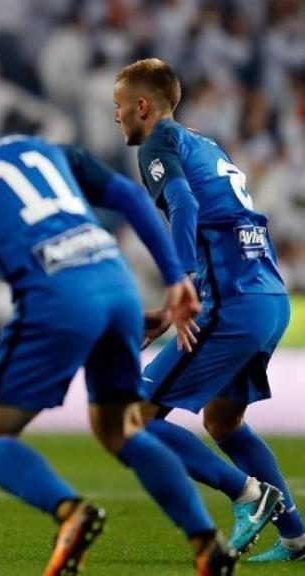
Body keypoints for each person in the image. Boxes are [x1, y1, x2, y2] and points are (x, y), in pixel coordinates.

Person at [0, 78, 236, 575]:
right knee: (122, 429)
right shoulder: (44, 147)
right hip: (118, 288)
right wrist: (175, 277)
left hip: (54, 300)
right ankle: (204, 539)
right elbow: (129, 197)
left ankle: (71, 512)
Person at [114, 58, 301, 562]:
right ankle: (297, 536)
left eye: (119, 108)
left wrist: (181, 284)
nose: (116, 118)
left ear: (142, 106)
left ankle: (248, 494)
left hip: (232, 301)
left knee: (132, 416)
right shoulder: (203, 142)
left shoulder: (157, 143)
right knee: (223, 422)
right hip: (267, 295)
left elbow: (184, 204)